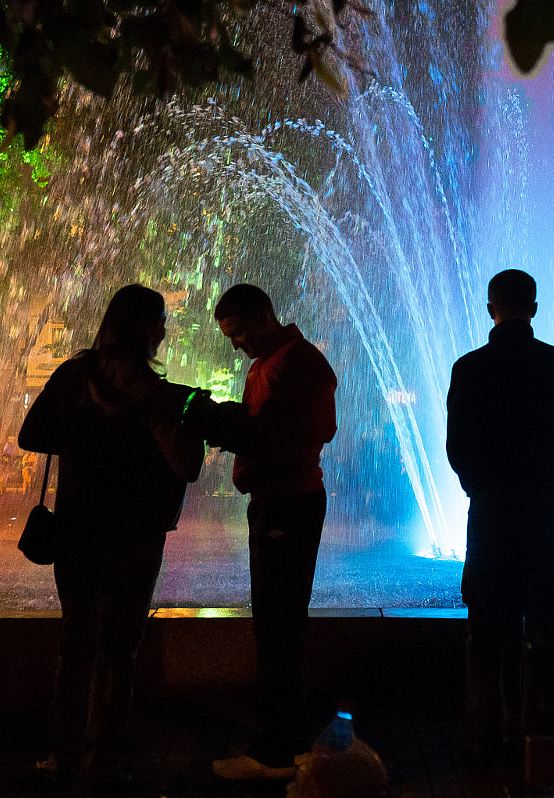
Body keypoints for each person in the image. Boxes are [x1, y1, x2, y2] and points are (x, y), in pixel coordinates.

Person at [19, 285, 203, 786]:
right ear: (145, 328)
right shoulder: (164, 398)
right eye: (161, 320)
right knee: (119, 650)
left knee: (74, 640)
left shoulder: (73, 377)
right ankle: (105, 759)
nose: (165, 329)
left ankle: (63, 752)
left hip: (78, 527)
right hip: (136, 537)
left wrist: (83, 439)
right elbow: (185, 467)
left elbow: (30, 436)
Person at [188, 283, 337, 779]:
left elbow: (276, 432)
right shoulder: (274, 364)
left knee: (278, 625)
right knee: (278, 621)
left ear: (265, 316)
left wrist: (213, 418)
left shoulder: (293, 365)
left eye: (239, 332)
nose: (236, 344)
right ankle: (283, 740)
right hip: (281, 502)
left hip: (286, 504)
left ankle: (276, 750)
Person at [446, 268, 554, 760]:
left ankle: (486, 738)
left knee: (487, 634)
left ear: (491, 309)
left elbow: (457, 448)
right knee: (552, 630)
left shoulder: (469, 368)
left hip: (492, 520)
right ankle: (548, 737)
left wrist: (481, 488)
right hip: (549, 522)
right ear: (534, 307)